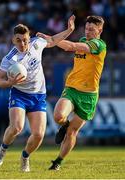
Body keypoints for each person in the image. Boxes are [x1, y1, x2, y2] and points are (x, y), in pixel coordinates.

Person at [0, 15, 75, 172]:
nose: (22, 43)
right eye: (18, 40)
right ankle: (3, 149)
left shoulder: (36, 44)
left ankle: (25, 156)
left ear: (29, 38)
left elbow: (52, 40)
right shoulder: (10, 58)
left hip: (38, 95)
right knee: (17, 127)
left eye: (25, 39)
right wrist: (9, 83)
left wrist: (69, 29)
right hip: (19, 94)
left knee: (38, 135)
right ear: (13, 40)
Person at [37, 15, 106, 170]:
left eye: (91, 29)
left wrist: (51, 39)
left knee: (72, 133)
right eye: (86, 28)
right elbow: (72, 46)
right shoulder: (83, 40)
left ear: (100, 30)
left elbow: (71, 47)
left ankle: (58, 162)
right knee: (58, 116)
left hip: (89, 96)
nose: (87, 32)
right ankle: (64, 125)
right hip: (72, 88)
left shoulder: (99, 45)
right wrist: (60, 36)